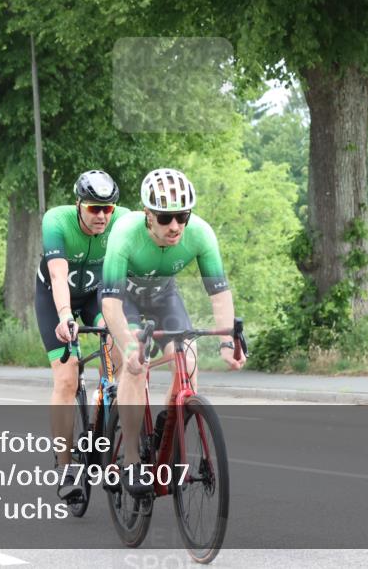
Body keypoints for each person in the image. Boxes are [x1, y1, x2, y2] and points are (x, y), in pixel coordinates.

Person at [102, 168, 245, 496]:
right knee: (135, 365)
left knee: (189, 362)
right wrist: (128, 347)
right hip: (124, 298)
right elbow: (110, 305)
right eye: (166, 218)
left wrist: (227, 342)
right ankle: (132, 458)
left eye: (182, 216)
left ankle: (166, 429)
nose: (176, 226)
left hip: (164, 296)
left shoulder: (201, 234)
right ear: (147, 215)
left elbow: (219, 293)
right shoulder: (124, 232)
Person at [35, 170, 127, 501]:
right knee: (66, 376)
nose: (102, 216)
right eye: (93, 208)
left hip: (96, 295)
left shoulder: (124, 221)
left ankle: (102, 420)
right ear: (78, 205)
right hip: (54, 297)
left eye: (108, 209)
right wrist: (63, 316)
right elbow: (59, 277)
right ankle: (65, 466)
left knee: (118, 351)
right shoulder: (56, 222)